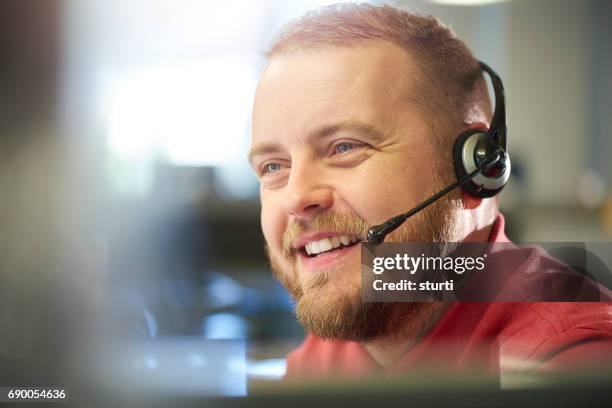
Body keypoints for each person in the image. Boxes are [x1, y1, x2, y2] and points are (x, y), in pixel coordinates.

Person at [248, 3, 612, 380]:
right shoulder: (329, 353)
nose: (296, 197)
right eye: (273, 167)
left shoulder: (571, 365)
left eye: (345, 147)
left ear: (475, 170)